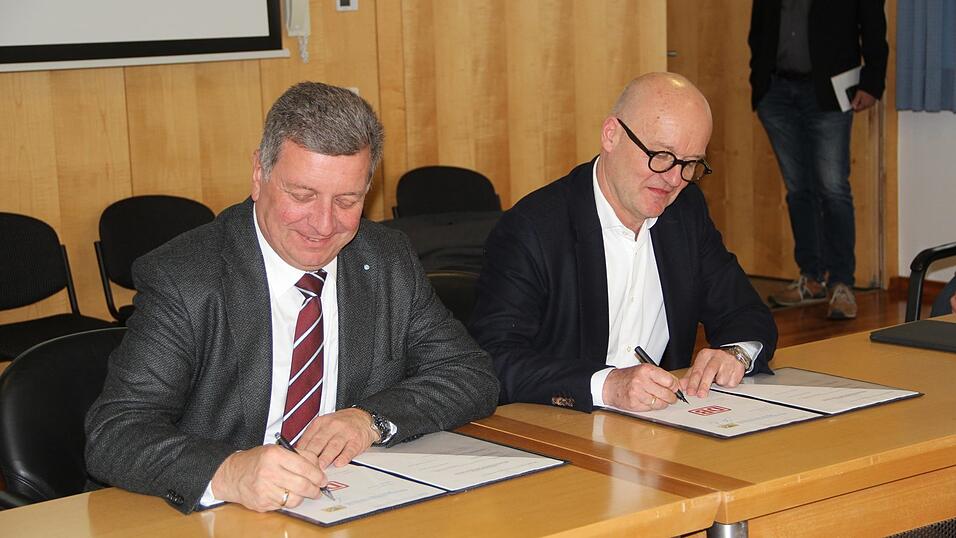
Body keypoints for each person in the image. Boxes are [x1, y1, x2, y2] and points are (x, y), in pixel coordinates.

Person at [85, 82, 499, 514]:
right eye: (302, 196)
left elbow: (468, 373)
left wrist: (368, 420)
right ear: (259, 176)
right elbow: (115, 431)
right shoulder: (186, 278)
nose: (322, 224)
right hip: (220, 516)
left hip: (349, 505)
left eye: (347, 200)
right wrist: (227, 471)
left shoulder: (386, 260)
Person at [469, 73, 777, 413]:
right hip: (559, 428)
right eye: (661, 155)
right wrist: (606, 385)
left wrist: (734, 354)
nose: (675, 179)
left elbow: (745, 312)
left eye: (691, 164)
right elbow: (493, 359)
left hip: (661, 431)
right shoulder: (533, 229)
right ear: (611, 135)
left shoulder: (685, 214)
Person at [749, 0, 888, 319]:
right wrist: (759, 85)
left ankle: (842, 283)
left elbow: (874, 31)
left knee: (833, 189)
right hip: (777, 94)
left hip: (828, 93)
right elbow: (759, 30)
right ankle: (811, 278)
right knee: (798, 190)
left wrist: (872, 83)